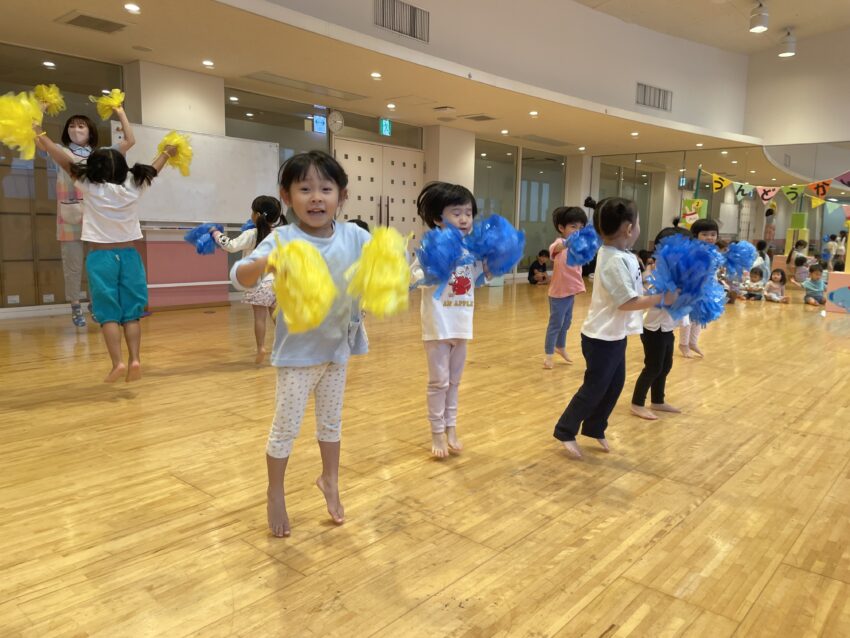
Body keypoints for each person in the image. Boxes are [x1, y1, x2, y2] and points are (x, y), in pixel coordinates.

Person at [230, 151, 371, 537]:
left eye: (325, 189)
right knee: (285, 429)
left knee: (331, 423)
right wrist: (258, 265)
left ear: (341, 195)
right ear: (287, 195)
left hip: (337, 350)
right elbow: (241, 276)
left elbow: (383, 272)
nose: (316, 198)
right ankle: (275, 492)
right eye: (305, 189)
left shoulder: (356, 236)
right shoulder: (282, 240)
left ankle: (330, 479)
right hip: (297, 355)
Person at [35, 123, 174, 382]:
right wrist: (166, 152)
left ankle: (118, 363)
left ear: (94, 168)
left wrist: (41, 135)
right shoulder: (134, 185)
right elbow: (154, 168)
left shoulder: (91, 186)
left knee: (108, 313)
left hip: (101, 258)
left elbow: (62, 158)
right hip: (131, 257)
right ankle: (135, 359)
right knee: (132, 313)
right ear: (122, 168)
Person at [552, 197, 675, 459]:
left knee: (614, 385)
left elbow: (635, 288)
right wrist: (663, 299)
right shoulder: (611, 260)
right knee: (595, 387)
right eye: (638, 222)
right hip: (600, 338)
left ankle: (595, 427)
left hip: (615, 335)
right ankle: (565, 429)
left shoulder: (625, 256)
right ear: (629, 228)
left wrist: (657, 288)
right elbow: (627, 302)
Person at [410, 182, 487, 458]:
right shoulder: (429, 248)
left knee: (454, 382)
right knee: (439, 382)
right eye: (457, 212)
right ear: (437, 218)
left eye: (468, 212)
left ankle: (451, 427)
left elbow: (478, 278)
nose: (465, 218)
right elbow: (414, 277)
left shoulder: (471, 250)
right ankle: (436, 432)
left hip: (462, 325)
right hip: (437, 326)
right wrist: (429, 273)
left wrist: (493, 261)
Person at [53, 109, 136, 327]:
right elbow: (40, 140)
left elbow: (129, 141)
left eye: (81, 126)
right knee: (72, 265)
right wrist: (38, 114)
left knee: (98, 266)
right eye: (72, 126)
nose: (76, 129)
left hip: (98, 219)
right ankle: (74, 305)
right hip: (69, 217)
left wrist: (120, 112)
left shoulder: (102, 154)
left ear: (90, 132)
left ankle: (96, 304)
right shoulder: (61, 152)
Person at [211, 196, 283, 363]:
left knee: (259, 318)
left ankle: (261, 348)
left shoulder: (251, 234)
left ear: (257, 215)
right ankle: (286, 346)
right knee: (276, 316)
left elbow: (231, 246)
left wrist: (216, 233)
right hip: (276, 283)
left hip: (257, 284)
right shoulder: (279, 234)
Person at [630, 227, 688, 421]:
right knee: (653, 367)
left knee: (666, 365)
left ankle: (657, 400)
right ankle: (637, 403)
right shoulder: (657, 275)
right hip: (652, 329)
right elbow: (661, 299)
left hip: (667, 328)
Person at [543, 206, 588, 369]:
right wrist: (568, 243)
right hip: (558, 294)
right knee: (555, 324)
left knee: (567, 322)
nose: (577, 231)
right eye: (573, 226)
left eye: (581, 228)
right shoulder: (559, 243)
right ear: (562, 228)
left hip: (570, 292)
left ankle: (560, 347)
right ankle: (548, 355)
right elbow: (555, 250)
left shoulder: (577, 246)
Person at [678, 218, 718, 358]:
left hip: (706, 289)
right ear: (695, 235)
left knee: (699, 317)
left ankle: (693, 342)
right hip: (690, 288)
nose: (710, 237)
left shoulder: (713, 252)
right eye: (705, 234)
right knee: (687, 318)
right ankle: (683, 344)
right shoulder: (692, 251)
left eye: (713, 234)